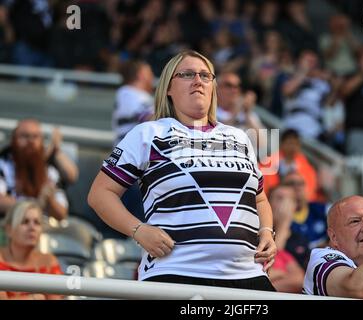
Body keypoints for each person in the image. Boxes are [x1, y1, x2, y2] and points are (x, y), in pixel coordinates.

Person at [88, 50, 277, 291]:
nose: (198, 80)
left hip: (248, 274)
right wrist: (139, 230)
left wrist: (267, 232)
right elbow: (100, 193)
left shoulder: (239, 137)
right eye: (187, 74)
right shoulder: (149, 133)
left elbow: (259, 197)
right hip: (176, 273)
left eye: (205, 76)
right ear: (168, 88)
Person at [0, 119, 73, 220]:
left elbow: (62, 214)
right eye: (25, 136)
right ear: (14, 140)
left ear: (42, 141)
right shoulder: (3, 164)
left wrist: (50, 200)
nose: (30, 141)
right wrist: (38, 204)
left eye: (35, 137)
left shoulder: (50, 171)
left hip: (45, 230)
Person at [0, 200, 63, 300]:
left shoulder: (48, 262)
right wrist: (35, 297)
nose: (32, 227)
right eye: (25, 222)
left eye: (37, 223)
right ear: (9, 230)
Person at [112, 59, 155, 146]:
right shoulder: (126, 92)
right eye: (149, 73)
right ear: (141, 74)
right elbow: (145, 116)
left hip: (138, 149)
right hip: (129, 151)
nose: (152, 77)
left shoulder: (142, 95)